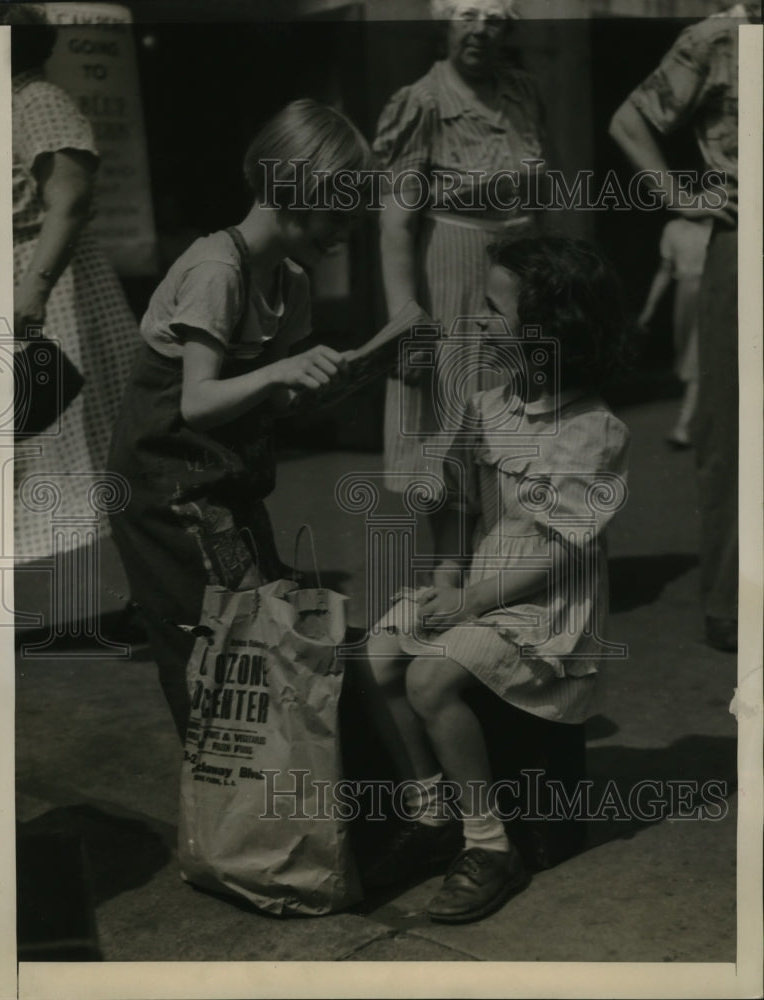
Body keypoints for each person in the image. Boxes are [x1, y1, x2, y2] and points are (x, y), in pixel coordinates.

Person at [357, 236, 630, 924]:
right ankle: (432, 813)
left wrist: (468, 601)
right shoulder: (487, 405)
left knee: (430, 676)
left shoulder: (589, 430)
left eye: (493, 309)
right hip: (478, 591)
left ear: (546, 335)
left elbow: (562, 552)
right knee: (378, 653)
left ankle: (489, 844)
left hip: (545, 614)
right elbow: (459, 502)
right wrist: (447, 569)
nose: (477, 320)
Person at [107, 99, 372, 742]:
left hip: (225, 479)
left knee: (259, 620)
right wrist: (281, 372)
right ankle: (224, 793)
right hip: (164, 484)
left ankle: (261, 783)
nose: (342, 235)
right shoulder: (216, 269)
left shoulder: (292, 282)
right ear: (292, 191)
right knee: (206, 638)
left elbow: (273, 402)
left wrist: (328, 382)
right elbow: (197, 401)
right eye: (335, 216)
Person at [608, 1, 759, 652]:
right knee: (731, 429)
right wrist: (677, 195)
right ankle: (730, 599)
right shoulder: (717, 37)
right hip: (744, 242)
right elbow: (628, 121)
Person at [372, 0, 548, 548]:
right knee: (450, 417)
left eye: (494, 19)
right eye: (468, 15)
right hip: (451, 267)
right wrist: (407, 318)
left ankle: (503, 557)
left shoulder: (521, 93)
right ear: (444, 20)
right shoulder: (421, 103)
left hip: (519, 266)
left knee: (517, 412)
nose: (480, 31)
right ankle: (451, 565)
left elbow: (541, 190)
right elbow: (396, 223)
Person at [0, 3, 143, 561]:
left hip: (52, 292)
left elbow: (70, 200)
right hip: (12, 285)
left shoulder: (38, 99)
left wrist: (34, 289)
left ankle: (164, 595)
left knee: (96, 441)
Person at [638, 217, 712, 449]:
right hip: (685, 295)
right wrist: (649, 308)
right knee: (687, 358)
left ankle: (684, 425)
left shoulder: (720, 225)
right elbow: (665, 270)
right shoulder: (673, 228)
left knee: (696, 359)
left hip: (713, 291)